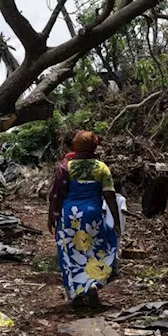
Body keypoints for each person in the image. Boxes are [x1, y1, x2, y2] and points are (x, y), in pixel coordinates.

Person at [47, 131, 121, 309]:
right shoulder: (101, 168)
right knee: (97, 249)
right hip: (92, 214)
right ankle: (94, 283)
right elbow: (109, 195)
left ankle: (78, 293)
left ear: (75, 146)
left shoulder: (66, 167)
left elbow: (56, 195)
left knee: (70, 253)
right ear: (94, 147)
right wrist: (116, 222)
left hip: (69, 215)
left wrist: (52, 215)